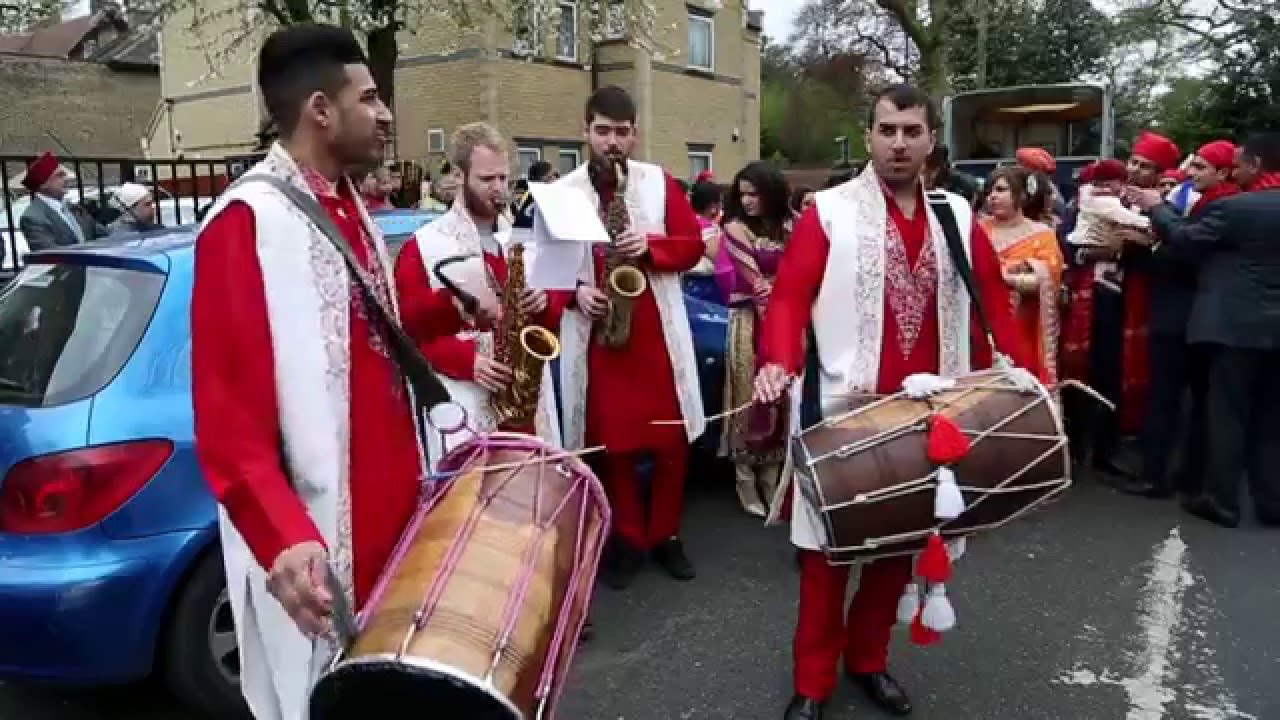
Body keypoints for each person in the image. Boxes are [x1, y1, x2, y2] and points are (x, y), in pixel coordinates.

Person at [190, 25, 495, 720]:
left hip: (396, 529)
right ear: (321, 110)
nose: (386, 115)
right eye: (371, 99)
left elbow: (368, 341)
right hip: (321, 551)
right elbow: (229, 423)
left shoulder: (349, 205)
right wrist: (282, 540)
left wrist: (449, 310)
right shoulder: (246, 222)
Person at [753, 84, 1028, 720]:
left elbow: (989, 294)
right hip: (846, 414)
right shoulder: (827, 210)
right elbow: (790, 296)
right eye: (886, 130)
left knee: (897, 554)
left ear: (931, 139)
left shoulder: (957, 216)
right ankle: (812, 683)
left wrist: (1016, 371)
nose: (898, 143)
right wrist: (777, 361)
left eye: (911, 131)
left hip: (933, 417)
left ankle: (869, 662)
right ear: (870, 136)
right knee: (827, 558)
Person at [553, 85, 706, 588]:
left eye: (621, 132)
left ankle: (667, 535)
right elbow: (548, 274)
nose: (612, 142)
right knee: (613, 445)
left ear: (635, 135)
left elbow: (691, 247)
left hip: (655, 334)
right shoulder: (563, 193)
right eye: (602, 131)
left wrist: (652, 244)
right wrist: (576, 296)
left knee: (669, 443)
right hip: (600, 338)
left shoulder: (661, 184)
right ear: (585, 131)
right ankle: (630, 537)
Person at [1126, 131, 1280, 528]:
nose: (1236, 167)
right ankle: (1271, 502)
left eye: (1241, 161)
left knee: (1228, 414)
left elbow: (1185, 239)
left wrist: (1158, 208)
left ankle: (1222, 501)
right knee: (1270, 419)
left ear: (1257, 166)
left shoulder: (1236, 208)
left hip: (1235, 328)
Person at [394, 122, 567, 463]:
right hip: (467, 396)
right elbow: (405, 332)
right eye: (487, 180)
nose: (499, 189)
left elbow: (554, 313)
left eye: (504, 178)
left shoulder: (525, 238)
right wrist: (465, 360)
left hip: (527, 397)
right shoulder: (424, 245)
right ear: (459, 176)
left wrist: (547, 301)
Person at [1119, 140, 1239, 500]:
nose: (1190, 173)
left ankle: (1158, 475)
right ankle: (1182, 475)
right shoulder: (1209, 201)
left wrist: (1150, 234)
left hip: (1180, 313)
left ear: (1223, 172)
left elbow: (1186, 250)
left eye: (1201, 168)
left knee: (1168, 396)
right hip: (1188, 312)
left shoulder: (1220, 204)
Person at [1061, 131, 1180, 478]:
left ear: (1159, 174)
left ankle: (1105, 448)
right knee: (1080, 369)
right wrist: (1089, 252)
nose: (1136, 170)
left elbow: (1167, 255)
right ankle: (1074, 443)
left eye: (1146, 166)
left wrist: (1124, 250)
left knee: (1114, 373)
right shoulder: (1093, 197)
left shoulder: (1162, 210)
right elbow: (1068, 242)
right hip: (1091, 297)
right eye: (1134, 163)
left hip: (1132, 301)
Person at [718, 161, 792, 516]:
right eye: (742, 194)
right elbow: (756, 284)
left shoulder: (791, 226)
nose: (747, 202)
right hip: (750, 321)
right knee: (748, 394)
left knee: (780, 398)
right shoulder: (733, 229)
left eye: (754, 194)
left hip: (784, 317)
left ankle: (773, 472)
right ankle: (745, 475)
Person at [980, 166, 1064, 383]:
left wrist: (1008, 279)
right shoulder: (976, 230)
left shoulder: (1041, 235)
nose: (992, 197)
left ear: (1022, 196)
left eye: (1001, 190)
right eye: (990, 191)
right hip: (981, 322)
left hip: (1021, 324)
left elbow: (1049, 280)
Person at [19, 151, 108, 250]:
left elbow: (103, 233)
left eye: (64, 175)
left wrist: (124, 223)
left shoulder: (74, 209)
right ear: (43, 184)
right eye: (59, 175)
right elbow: (51, 256)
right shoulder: (33, 218)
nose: (66, 179)